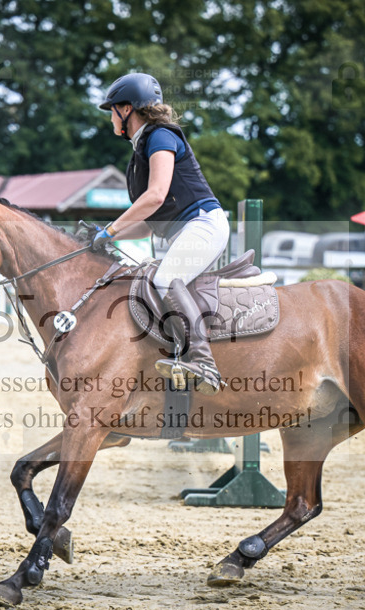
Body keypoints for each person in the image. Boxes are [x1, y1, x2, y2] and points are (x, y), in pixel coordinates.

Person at [93, 72, 228, 394]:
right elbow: (150, 222)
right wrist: (108, 237)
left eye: (112, 109)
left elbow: (154, 196)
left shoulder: (160, 137)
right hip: (186, 230)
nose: (110, 117)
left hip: (204, 225)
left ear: (127, 109)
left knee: (165, 281)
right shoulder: (143, 148)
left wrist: (112, 227)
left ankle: (202, 360)